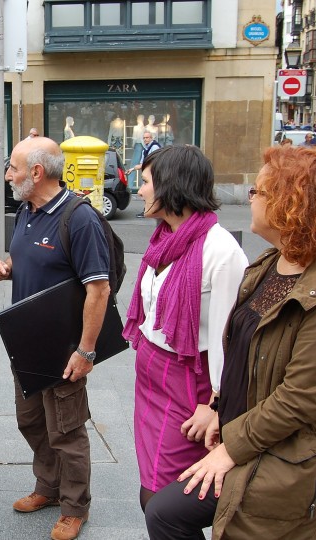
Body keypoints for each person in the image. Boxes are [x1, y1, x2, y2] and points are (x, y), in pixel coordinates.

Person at [144, 145, 316, 540]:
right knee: (164, 511)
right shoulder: (271, 264)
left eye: (258, 192)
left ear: (291, 203)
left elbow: (304, 397)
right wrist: (217, 405)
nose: (250, 199)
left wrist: (231, 449)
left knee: (175, 514)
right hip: (251, 436)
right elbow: (244, 353)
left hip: (292, 457)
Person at [0, 136, 111, 540]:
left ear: (36, 173)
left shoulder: (80, 218)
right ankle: (49, 487)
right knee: (31, 421)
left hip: (63, 350)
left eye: (13, 168)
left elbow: (99, 289)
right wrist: (8, 268)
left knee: (67, 431)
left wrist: (86, 351)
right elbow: (36, 261)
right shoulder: (27, 210)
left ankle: (75, 507)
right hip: (27, 344)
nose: (7, 175)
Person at [123, 146, 247, 511]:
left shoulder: (221, 251)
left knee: (166, 492)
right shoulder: (164, 237)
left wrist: (215, 405)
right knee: (151, 479)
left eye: (145, 182)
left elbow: (233, 339)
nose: (140, 190)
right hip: (151, 375)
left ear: (170, 186)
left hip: (189, 382)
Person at [127, 131, 162, 217]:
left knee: (151, 193)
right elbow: (142, 164)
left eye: (147, 138)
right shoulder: (145, 149)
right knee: (150, 193)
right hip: (149, 175)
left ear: (151, 138)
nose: (145, 139)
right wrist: (131, 169)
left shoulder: (154, 147)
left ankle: (150, 211)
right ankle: (149, 210)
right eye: (144, 138)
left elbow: (154, 161)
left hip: (155, 174)